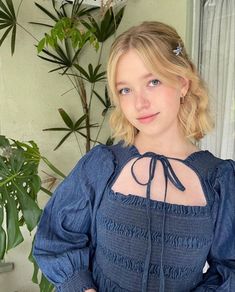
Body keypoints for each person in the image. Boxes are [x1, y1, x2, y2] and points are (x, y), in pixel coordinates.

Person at [33, 21, 235, 292]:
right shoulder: (103, 165)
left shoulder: (219, 180)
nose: (139, 103)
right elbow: (57, 238)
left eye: (153, 82)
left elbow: (229, 269)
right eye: (125, 90)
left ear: (183, 83)